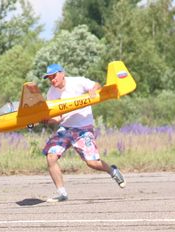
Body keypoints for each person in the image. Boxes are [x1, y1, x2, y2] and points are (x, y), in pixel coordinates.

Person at [40, 63, 126, 202]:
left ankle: (112, 171)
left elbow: (97, 85)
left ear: (62, 73)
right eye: (49, 78)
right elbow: (57, 118)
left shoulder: (77, 81)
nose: (52, 80)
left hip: (83, 128)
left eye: (54, 76)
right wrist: (46, 120)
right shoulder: (52, 92)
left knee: (92, 163)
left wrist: (93, 90)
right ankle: (62, 193)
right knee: (51, 157)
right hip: (65, 129)